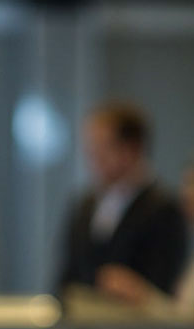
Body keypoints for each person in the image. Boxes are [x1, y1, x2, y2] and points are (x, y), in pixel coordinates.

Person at [58, 101, 188, 300]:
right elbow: (66, 277)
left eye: (102, 147)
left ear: (132, 148)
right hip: (83, 317)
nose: (92, 156)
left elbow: (165, 285)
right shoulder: (85, 205)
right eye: (91, 147)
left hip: (136, 319)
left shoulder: (164, 209)